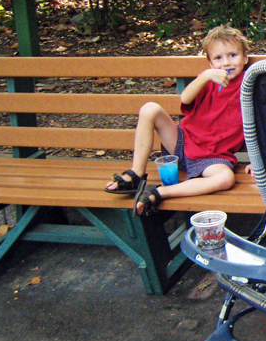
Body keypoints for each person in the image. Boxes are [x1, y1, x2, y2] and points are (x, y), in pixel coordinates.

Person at [104, 25, 250, 216]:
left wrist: (258, 160)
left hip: (214, 158)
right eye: (218, 58)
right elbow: (185, 99)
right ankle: (136, 174)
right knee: (150, 109)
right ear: (210, 64)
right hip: (182, 143)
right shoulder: (208, 80)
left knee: (226, 179)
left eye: (233, 55)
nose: (226, 63)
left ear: (245, 57)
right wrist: (205, 77)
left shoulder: (250, 85)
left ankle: (159, 192)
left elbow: (261, 124)